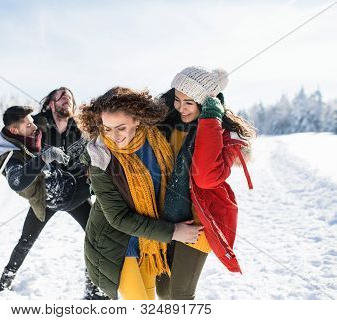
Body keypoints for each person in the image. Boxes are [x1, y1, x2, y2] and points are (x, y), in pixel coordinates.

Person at [76, 87, 203, 300]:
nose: (113, 136)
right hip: (116, 245)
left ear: (137, 120)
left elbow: (187, 97)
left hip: (151, 242)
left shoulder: (157, 136)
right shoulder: (100, 159)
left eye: (121, 127)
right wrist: (173, 232)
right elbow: (118, 218)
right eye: (106, 129)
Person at [0, 88, 107, 299]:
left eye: (70, 98)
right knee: (26, 239)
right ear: (51, 103)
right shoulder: (37, 124)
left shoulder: (80, 128)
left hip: (76, 191)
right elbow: (11, 132)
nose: (67, 100)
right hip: (47, 194)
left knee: (95, 237)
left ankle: (93, 288)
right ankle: (5, 281)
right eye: (61, 97)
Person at [155, 66, 256, 300]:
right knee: (162, 290)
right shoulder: (169, 123)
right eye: (177, 99)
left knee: (180, 294)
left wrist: (211, 119)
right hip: (165, 216)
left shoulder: (223, 134)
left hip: (198, 221)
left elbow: (206, 177)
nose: (181, 107)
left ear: (205, 102)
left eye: (189, 102)